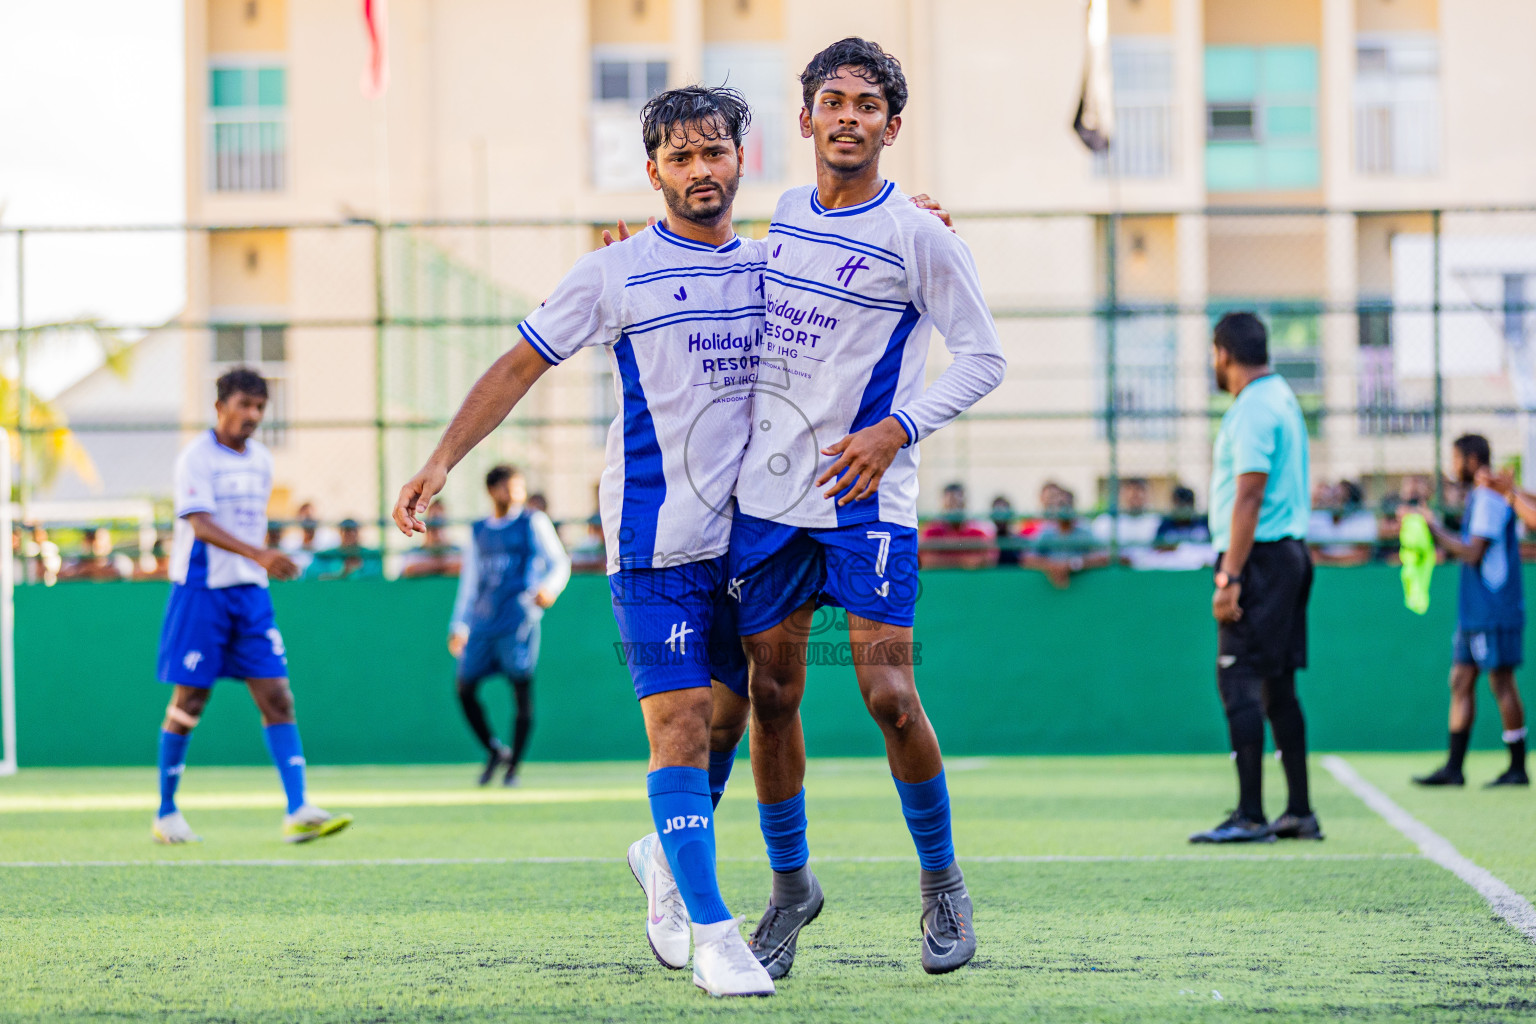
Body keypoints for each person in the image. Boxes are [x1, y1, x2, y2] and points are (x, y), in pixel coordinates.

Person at [394, 86, 771, 997]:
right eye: (680, 157)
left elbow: (866, 276)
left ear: (740, 159)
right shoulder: (613, 272)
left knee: (734, 718)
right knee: (679, 724)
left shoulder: (777, 267)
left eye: (714, 151)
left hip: (754, 541)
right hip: (653, 542)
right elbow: (519, 363)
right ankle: (716, 934)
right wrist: (443, 460)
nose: (700, 170)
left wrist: (915, 222)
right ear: (653, 172)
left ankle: (662, 853)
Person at [727, 38, 1006, 978]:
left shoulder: (922, 235)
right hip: (771, 501)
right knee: (772, 696)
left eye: (868, 103)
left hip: (867, 500)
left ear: (893, 124)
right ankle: (789, 888)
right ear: (806, 116)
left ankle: (942, 882)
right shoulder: (785, 214)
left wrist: (897, 427)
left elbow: (983, 358)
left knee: (890, 696)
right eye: (834, 100)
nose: (849, 116)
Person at [152, 367, 352, 845]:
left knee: (277, 696)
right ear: (220, 407)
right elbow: (200, 525)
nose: (253, 415)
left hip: (250, 594)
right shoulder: (196, 458)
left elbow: (248, 525)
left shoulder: (261, 459)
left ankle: (298, 808)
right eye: (244, 405)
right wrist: (260, 553)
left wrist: (260, 560)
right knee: (190, 701)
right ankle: (166, 812)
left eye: (260, 407)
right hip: (201, 591)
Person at [1190, 312, 1320, 844]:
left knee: (1236, 678)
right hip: (1286, 554)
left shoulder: (1253, 408)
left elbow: (1249, 495)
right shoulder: (1281, 397)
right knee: (1276, 684)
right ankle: (1299, 812)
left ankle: (1250, 814)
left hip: (1259, 560)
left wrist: (1230, 576)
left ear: (1223, 353)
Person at [1412, 436, 1527, 787]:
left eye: (1456, 458)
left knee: (1501, 682)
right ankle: (1454, 767)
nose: (1453, 466)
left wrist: (1433, 528)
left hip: (1493, 607)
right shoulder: (1482, 495)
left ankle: (1517, 767)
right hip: (1474, 609)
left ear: (1472, 459)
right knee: (1461, 679)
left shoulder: (1490, 497)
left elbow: (1473, 552)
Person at [450, 464, 570, 787]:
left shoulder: (533, 521)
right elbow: (470, 582)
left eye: (519, 487)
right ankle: (495, 750)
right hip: (483, 623)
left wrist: (549, 588)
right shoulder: (478, 530)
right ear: (492, 491)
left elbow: (560, 561)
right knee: (464, 687)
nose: (515, 494)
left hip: (518, 620)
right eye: (508, 487)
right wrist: (459, 624)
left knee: (520, 691)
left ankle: (514, 767)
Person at [1024, 487, 1107, 587]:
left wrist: (1073, 564)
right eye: (1060, 505)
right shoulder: (1046, 534)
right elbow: (1028, 558)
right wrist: (1052, 566)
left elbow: (1104, 556)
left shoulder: (1085, 533)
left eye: (1068, 504)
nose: (1064, 509)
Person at [918, 482, 995, 569]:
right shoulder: (932, 530)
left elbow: (986, 558)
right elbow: (925, 560)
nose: (955, 508)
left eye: (959, 503)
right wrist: (963, 561)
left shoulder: (976, 531)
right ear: (943, 504)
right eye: (951, 503)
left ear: (965, 503)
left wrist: (942, 561)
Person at [1091, 477, 1160, 553]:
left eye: (1140, 489)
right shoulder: (1104, 522)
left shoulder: (1158, 522)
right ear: (1121, 494)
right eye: (1130, 490)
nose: (1135, 494)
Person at [303, 518, 383, 580]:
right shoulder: (326, 556)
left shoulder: (370, 556)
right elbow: (311, 574)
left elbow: (376, 576)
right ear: (341, 533)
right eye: (346, 531)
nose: (350, 535)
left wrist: (359, 568)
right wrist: (341, 573)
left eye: (353, 531)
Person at [400, 502, 462, 578]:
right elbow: (409, 570)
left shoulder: (458, 551)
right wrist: (443, 566)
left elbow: (463, 567)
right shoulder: (414, 552)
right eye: (432, 524)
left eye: (440, 524)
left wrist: (429, 567)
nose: (437, 531)